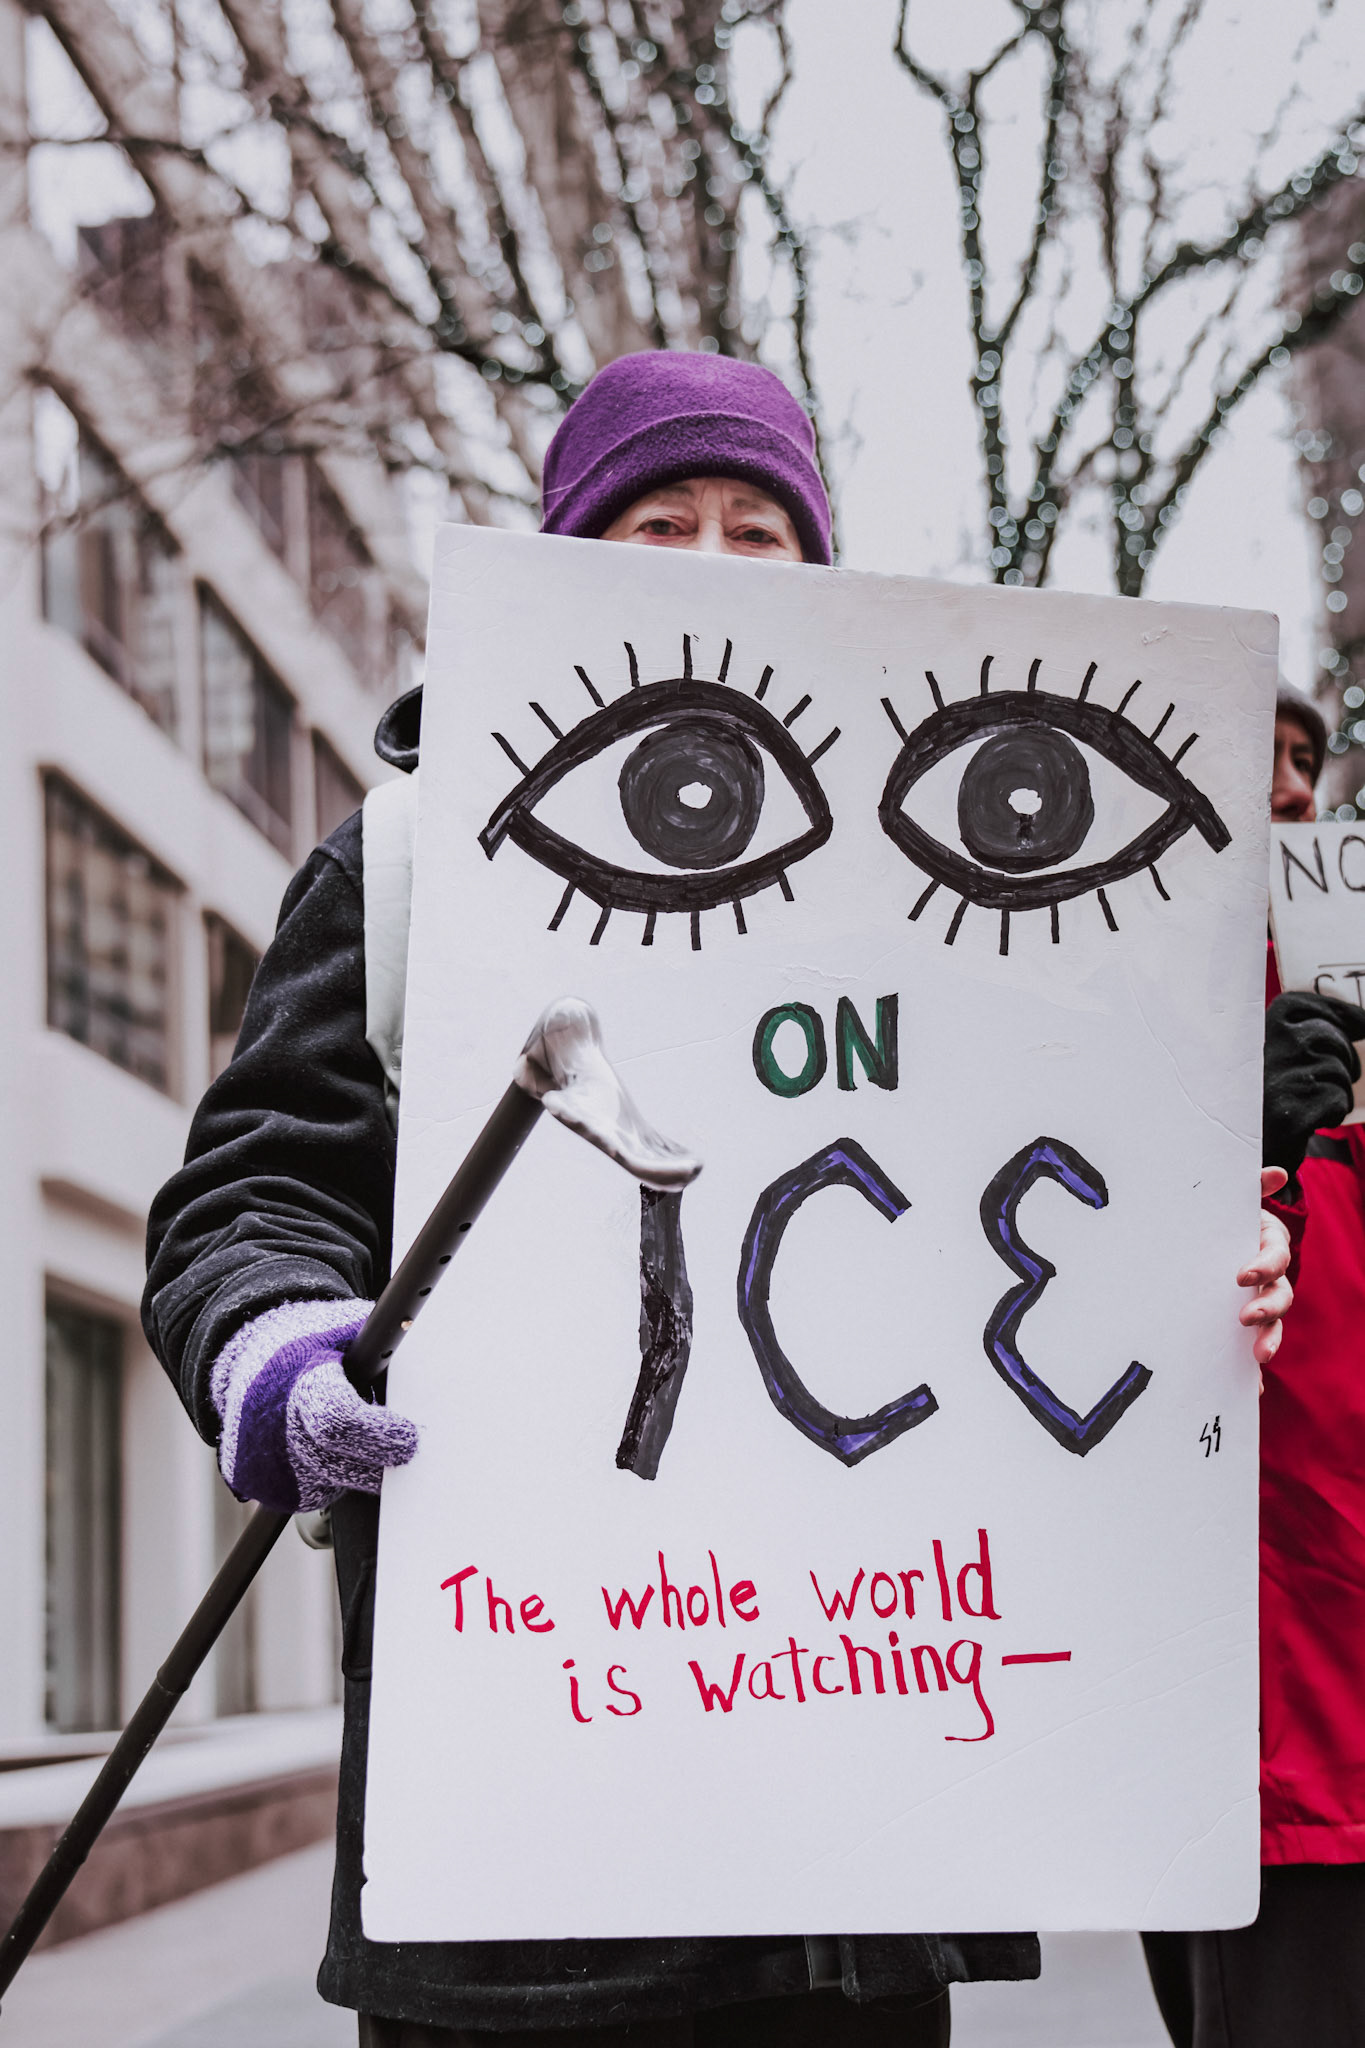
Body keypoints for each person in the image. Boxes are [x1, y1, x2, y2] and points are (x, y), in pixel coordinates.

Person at [142, 351, 1291, 2048]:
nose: (709, 558)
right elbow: (254, 1188)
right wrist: (274, 1349)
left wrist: (1201, 1273)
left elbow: (1059, 1176)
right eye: (658, 518)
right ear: (567, 558)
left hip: (857, 1855)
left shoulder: (929, 903)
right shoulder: (407, 861)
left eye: (760, 530)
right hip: (517, 1850)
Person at [1142, 688, 1365, 2048]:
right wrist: (1257, 1165)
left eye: (1301, 762)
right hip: (1264, 1758)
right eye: (1245, 756)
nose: (1283, 789)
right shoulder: (1110, 1037)